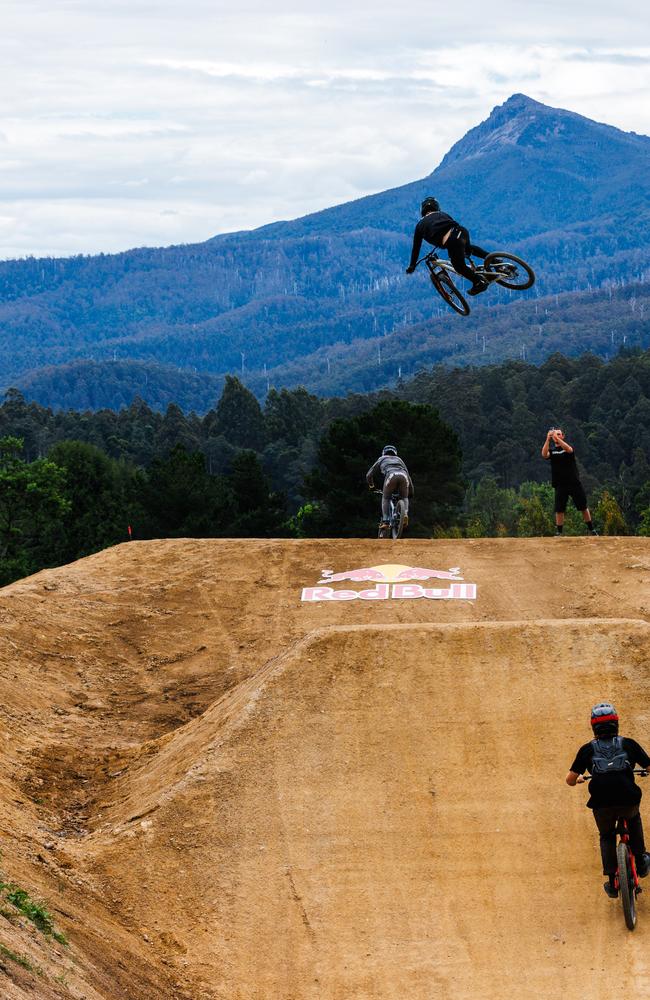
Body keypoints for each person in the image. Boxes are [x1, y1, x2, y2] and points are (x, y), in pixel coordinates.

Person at [566, 702, 650, 898]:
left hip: (601, 804)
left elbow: (570, 780)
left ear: (593, 726)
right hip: (628, 799)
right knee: (634, 816)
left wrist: (579, 778)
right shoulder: (628, 744)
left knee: (606, 835)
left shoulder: (587, 750)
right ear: (616, 724)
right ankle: (641, 859)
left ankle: (612, 882)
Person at [405, 196, 490, 296]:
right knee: (469, 249)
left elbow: (416, 248)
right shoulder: (443, 214)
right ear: (437, 207)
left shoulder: (420, 225)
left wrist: (412, 265)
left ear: (422, 211)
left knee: (459, 266)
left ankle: (479, 282)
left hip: (452, 240)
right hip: (462, 231)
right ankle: (495, 260)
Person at [541, 427, 597, 535]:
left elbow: (569, 449)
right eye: (555, 434)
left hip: (574, 483)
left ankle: (591, 529)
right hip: (560, 484)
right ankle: (559, 532)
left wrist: (557, 439)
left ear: (563, 436)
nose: (556, 436)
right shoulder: (552, 452)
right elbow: (544, 454)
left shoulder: (567, 449)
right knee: (559, 509)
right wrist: (548, 439)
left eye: (559, 434)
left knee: (583, 506)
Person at [366, 445, 413, 532]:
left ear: (384, 452)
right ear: (395, 453)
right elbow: (408, 476)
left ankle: (386, 521)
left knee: (386, 497)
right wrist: (411, 491)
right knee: (404, 497)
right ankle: (405, 514)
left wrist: (371, 486)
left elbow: (369, 475)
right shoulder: (399, 459)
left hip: (391, 475)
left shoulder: (382, 458)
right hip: (404, 476)